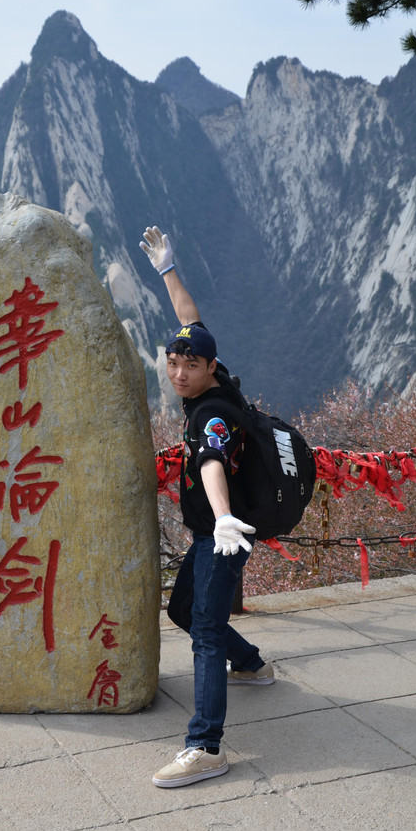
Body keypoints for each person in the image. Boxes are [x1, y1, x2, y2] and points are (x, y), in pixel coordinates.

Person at [140, 225, 274, 789]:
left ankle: (205, 746)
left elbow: (213, 460)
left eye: (188, 366)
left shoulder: (210, 415)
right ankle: (252, 667)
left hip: (223, 532)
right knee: (185, 611)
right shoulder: (216, 375)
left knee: (205, 629)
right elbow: (191, 316)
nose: (178, 373)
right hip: (211, 532)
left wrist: (220, 517)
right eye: (173, 363)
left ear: (208, 369)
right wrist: (168, 269)